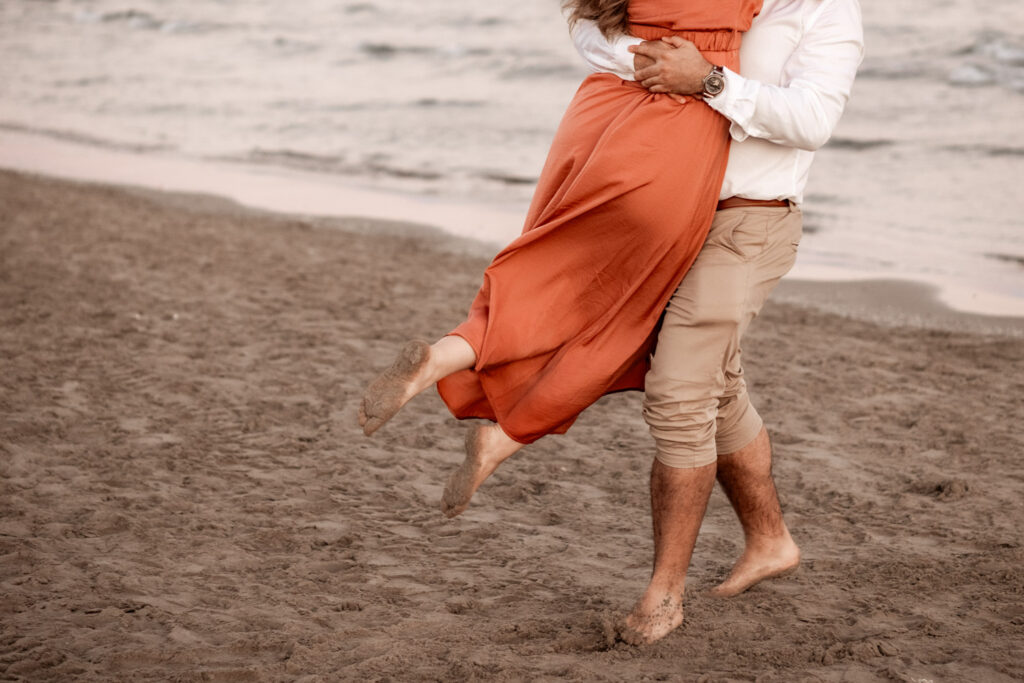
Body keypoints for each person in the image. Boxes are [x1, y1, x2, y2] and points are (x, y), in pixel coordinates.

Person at [360, 0, 762, 516]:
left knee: (550, 280)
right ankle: (507, 430)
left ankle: (446, 363)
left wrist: (642, 50)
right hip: (672, 139)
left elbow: (591, 33)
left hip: (594, 122)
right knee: (626, 318)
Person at [570, 0, 864, 644]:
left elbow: (812, 120)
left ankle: (663, 596)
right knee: (716, 385)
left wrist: (708, 79)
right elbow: (593, 32)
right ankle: (770, 541)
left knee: (678, 395)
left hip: (750, 221)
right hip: (668, 212)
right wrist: (652, 61)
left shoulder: (825, 10)